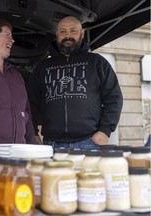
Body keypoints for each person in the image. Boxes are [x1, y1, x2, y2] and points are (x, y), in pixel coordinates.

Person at [27, 16, 123, 150]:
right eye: (63, 31)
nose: (67, 36)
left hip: (89, 142)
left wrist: (105, 130)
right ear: (57, 35)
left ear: (82, 34)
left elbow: (114, 98)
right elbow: (31, 102)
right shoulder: (43, 67)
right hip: (52, 144)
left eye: (73, 31)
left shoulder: (97, 62)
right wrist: (33, 133)